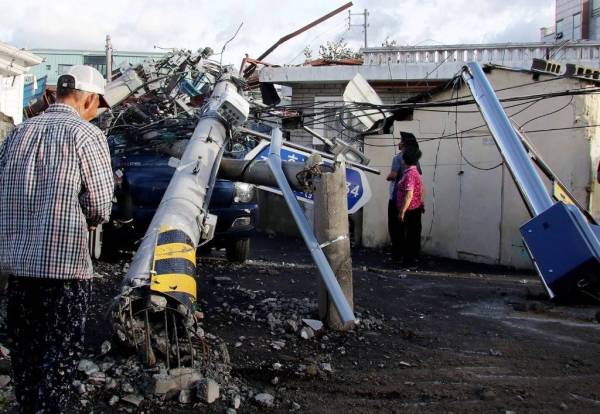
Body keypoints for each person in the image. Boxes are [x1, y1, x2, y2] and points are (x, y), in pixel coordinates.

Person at [0, 65, 114, 413]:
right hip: (64, 272)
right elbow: (99, 204)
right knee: (58, 363)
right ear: (90, 100)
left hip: (17, 271)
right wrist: (90, 221)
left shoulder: (19, 133)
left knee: (27, 361)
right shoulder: (87, 136)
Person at [386, 132, 421, 260]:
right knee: (411, 230)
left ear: (404, 144)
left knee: (395, 229)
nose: (398, 143)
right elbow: (419, 181)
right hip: (413, 204)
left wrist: (388, 176)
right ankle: (409, 256)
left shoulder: (398, 158)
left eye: (400, 141)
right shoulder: (415, 160)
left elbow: (393, 176)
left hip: (398, 198)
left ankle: (398, 255)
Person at [396, 146, 425, 266]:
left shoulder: (410, 174)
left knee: (408, 236)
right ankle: (411, 259)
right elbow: (423, 190)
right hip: (416, 207)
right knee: (413, 234)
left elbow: (409, 194)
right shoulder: (415, 172)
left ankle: (409, 261)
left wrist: (402, 211)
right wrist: (421, 202)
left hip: (410, 209)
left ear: (405, 160)